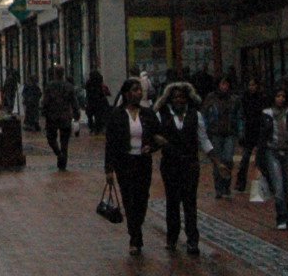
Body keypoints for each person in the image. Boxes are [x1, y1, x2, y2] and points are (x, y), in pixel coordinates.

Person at [104, 77, 161, 257]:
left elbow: (158, 135)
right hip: (124, 162)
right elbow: (110, 142)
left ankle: (137, 225)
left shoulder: (148, 114)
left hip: (142, 161)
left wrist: (151, 147)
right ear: (127, 93)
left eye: (140, 90)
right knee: (129, 199)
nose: (138, 93)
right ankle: (135, 238)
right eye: (135, 90)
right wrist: (109, 168)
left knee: (142, 198)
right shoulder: (117, 115)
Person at [158, 81, 210, 257]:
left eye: (182, 96)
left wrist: (216, 162)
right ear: (170, 99)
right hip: (170, 164)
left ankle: (192, 240)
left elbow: (204, 140)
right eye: (175, 97)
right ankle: (172, 237)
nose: (179, 100)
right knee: (172, 201)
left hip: (190, 164)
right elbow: (153, 133)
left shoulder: (195, 116)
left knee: (190, 202)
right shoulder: (163, 115)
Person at [259, 84, 288, 231]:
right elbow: (262, 137)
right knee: (278, 186)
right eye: (278, 96)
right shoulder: (267, 114)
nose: (281, 99)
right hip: (273, 151)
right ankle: (281, 216)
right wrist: (260, 158)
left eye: (283, 96)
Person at [204, 75, 242, 199]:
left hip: (229, 133)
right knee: (217, 160)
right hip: (215, 133)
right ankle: (219, 188)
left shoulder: (234, 99)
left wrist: (240, 131)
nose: (224, 86)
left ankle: (226, 184)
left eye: (226, 84)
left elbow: (239, 116)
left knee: (228, 159)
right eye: (222, 84)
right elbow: (205, 114)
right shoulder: (211, 98)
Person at [44, 71, 80, 173]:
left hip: (52, 117)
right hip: (65, 117)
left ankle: (59, 154)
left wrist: (44, 111)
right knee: (65, 142)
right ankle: (62, 162)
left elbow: (45, 101)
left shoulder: (50, 86)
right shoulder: (69, 86)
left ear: (55, 74)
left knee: (51, 138)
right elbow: (74, 101)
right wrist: (76, 112)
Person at [86, 71, 112, 137]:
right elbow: (104, 92)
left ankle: (92, 128)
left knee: (90, 116)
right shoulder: (100, 83)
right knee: (98, 116)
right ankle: (98, 129)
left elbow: (88, 93)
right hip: (99, 101)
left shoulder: (88, 83)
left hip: (91, 102)